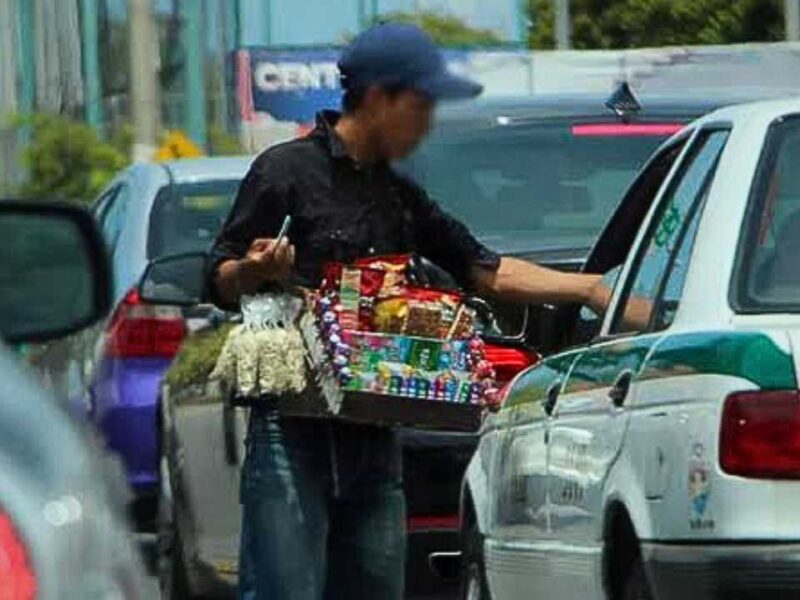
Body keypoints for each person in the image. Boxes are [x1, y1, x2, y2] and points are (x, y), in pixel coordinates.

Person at [207, 22, 610, 600]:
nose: (426, 124)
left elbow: (485, 270)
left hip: (374, 431)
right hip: (291, 433)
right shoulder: (284, 171)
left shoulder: (398, 193)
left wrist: (595, 290)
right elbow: (218, 277)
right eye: (421, 107)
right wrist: (255, 269)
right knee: (282, 588)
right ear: (378, 99)